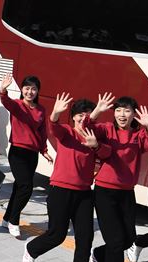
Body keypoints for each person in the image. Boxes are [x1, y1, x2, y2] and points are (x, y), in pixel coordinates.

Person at [24, 94, 111, 262]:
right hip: (61, 190)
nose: (83, 117)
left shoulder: (95, 137)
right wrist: (55, 113)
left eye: (87, 114)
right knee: (57, 235)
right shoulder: (67, 132)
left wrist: (96, 145)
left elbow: (107, 153)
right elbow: (53, 127)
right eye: (80, 114)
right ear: (73, 118)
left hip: (84, 193)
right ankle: (31, 249)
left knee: (85, 237)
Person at [83, 94, 148, 262]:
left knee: (128, 239)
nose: (122, 115)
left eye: (127, 111)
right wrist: (96, 112)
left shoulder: (138, 136)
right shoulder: (107, 129)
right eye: (118, 110)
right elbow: (86, 127)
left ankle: (97, 255)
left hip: (126, 193)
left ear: (134, 114)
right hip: (105, 192)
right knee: (115, 242)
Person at [0, 74, 52, 238]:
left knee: (19, 188)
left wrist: (44, 150)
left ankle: (7, 219)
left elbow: (42, 131)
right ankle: (14, 221)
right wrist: (2, 90)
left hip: (32, 154)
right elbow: (5, 101)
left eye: (33, 89)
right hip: (18, 153)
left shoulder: (41, 110)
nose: (30, 92)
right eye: (27, 88)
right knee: (26, 187)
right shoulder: (17, 105)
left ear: (38, 91)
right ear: (22, 89)